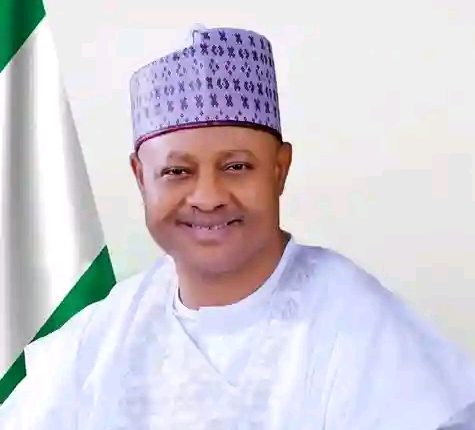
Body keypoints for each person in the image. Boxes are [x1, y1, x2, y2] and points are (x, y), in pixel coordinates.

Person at [1, 26, 475, 430]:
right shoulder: (100, 338)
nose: (208, 197)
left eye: (236, 167)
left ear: (280, 169)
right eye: (177, 171)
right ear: (140, 177)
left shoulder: (359, 327)